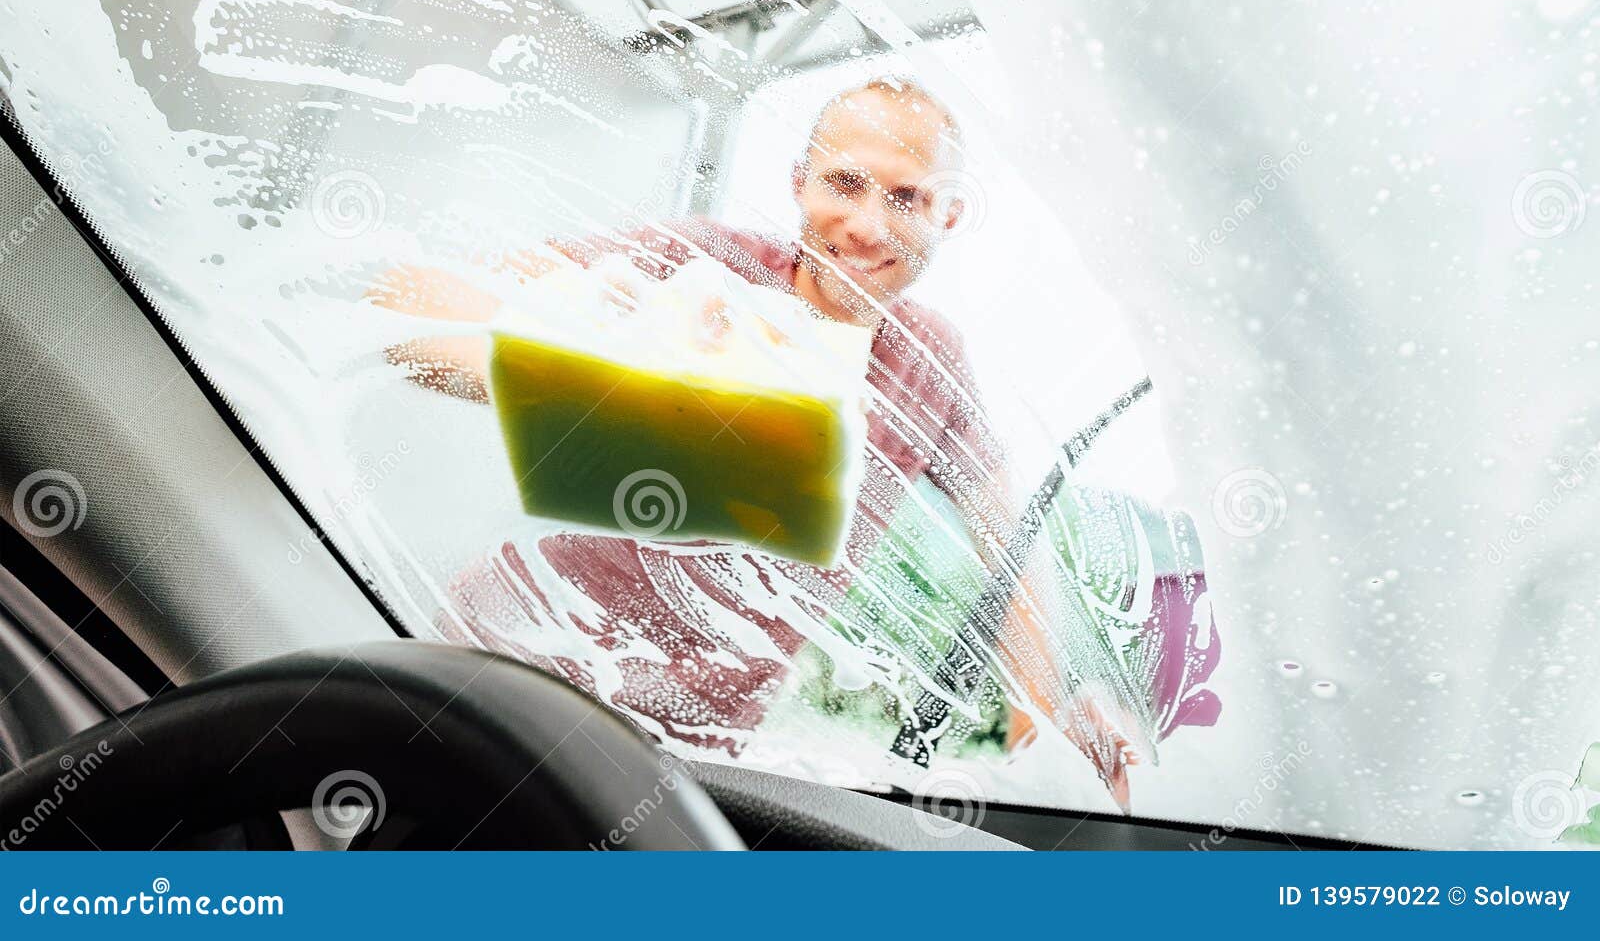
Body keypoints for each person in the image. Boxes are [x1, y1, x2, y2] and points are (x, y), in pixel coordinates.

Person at [370, 77, 1153, 798]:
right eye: (845, 183)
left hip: (685, 753)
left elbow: (1009, 546)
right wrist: (631, 391)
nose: (867, 225)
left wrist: (1065, 706)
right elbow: (417, 314)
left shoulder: (930, 363)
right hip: (506, 673)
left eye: (907, 197)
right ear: (799, 182)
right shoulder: (702, 264)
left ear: (947, 215)